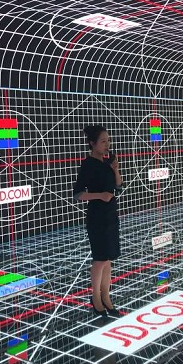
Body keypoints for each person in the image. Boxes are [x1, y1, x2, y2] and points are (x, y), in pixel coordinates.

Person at [73, 125, 123, 317]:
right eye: (103, 141)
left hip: (111, 215)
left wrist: (115, 170)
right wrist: (100, 195)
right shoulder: (88, 165)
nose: (107, 144)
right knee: (100, 258)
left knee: (108, 259)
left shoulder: (107, 163)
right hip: (97, 217)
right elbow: (78, 194)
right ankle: (95, 298)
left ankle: (106, 297)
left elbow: (118, 187)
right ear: (92, 143)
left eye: (108, 141)